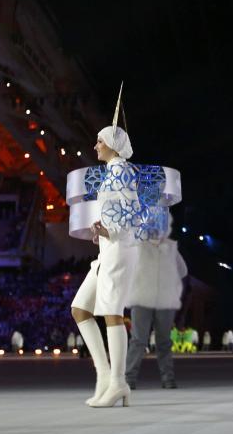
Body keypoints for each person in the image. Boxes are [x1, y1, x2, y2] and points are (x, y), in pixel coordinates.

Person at [70, 123, 145, 408]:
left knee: (112, 312)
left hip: (120, 248)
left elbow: (132, 213)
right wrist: (103, 232)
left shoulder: (122, 171)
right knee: (79, 308)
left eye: (99, 141)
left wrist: (108, 230)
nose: (95, 146)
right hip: (109, 249)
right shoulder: (114, 172)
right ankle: (104, 375)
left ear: (113, 146)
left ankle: (118, 382)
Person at [125, 221, 187, 390]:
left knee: (163, 341)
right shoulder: (138, 246)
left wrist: (169, 281)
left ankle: (168, 379)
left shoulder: (170, 248)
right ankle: (128, 378)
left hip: (164, 300)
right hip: (142, 298)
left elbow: (183, 270)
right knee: (139, 340)